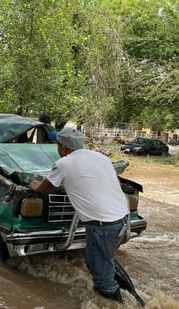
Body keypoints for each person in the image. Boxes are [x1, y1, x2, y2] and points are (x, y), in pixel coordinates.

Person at [30, 127, 129, 303]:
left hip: (102, 226)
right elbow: (114, 181)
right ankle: (114, 286)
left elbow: (46, 185)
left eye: (57, 145)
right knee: (94, 260)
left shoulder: (64, 163)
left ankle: (114, 303)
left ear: (63, 148)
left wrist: (34, 186)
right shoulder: (101, 157)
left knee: (102, 275)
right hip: (121, 219)